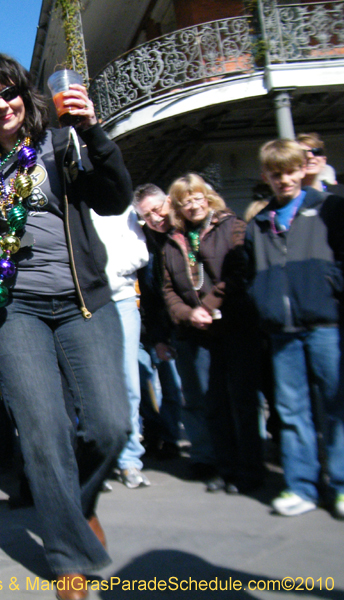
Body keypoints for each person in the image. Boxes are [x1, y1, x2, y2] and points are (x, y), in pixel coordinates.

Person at [0, 54, 130, 597]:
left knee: (112, 426)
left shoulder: (62, 144)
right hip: (13, 311)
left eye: (8, 92)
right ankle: (67, 554)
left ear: (25, 93)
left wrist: (92, 129)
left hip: (83, 300)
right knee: (45, 431)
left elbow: (115, 199)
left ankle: (77, 502)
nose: (1, 105)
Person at [247, 139, 344, 518]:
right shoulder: (259, 222)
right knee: (291, 409)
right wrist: (263, 299)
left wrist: (330, 286)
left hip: (325, 323)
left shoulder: (330, 209)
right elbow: (254, 272)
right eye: (276, 173)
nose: (284, 179)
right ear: (266, 176)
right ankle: (301, 485)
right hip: (282, 329)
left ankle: (339, 485)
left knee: (337, 406)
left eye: (290, 171)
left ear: (304, 170)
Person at [162, 173, 263, 495]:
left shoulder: (233, 226)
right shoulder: (173, 240)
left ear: (208, 198)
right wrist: (190, 314)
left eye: (197, 198)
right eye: (184, 201)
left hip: (236, 326)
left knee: (243, 403)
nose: (192, 205)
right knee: (213, 403)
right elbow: (168, 289)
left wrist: (208, 304)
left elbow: (240, 272)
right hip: (200, 333)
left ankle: (250, 470)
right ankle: (225, 467)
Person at [132, 185, 192, 464]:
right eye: (148, 214)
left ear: (169, 201)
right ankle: (160, 434)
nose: (156, 217)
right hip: (153, 326)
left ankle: (171, 437)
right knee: (148, 386)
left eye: (158, 209)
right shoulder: (143, 241)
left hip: (181, 323)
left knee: (174, 387)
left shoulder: (184, 234)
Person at [92, 205, 150, 488]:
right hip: (87, 305)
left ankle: (129, 461)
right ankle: (98, 460)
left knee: (128, 382)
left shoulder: (120, 207)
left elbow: (141, 252)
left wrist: (110, 271)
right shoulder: (71, 205)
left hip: (122, 300)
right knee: (89, 385)